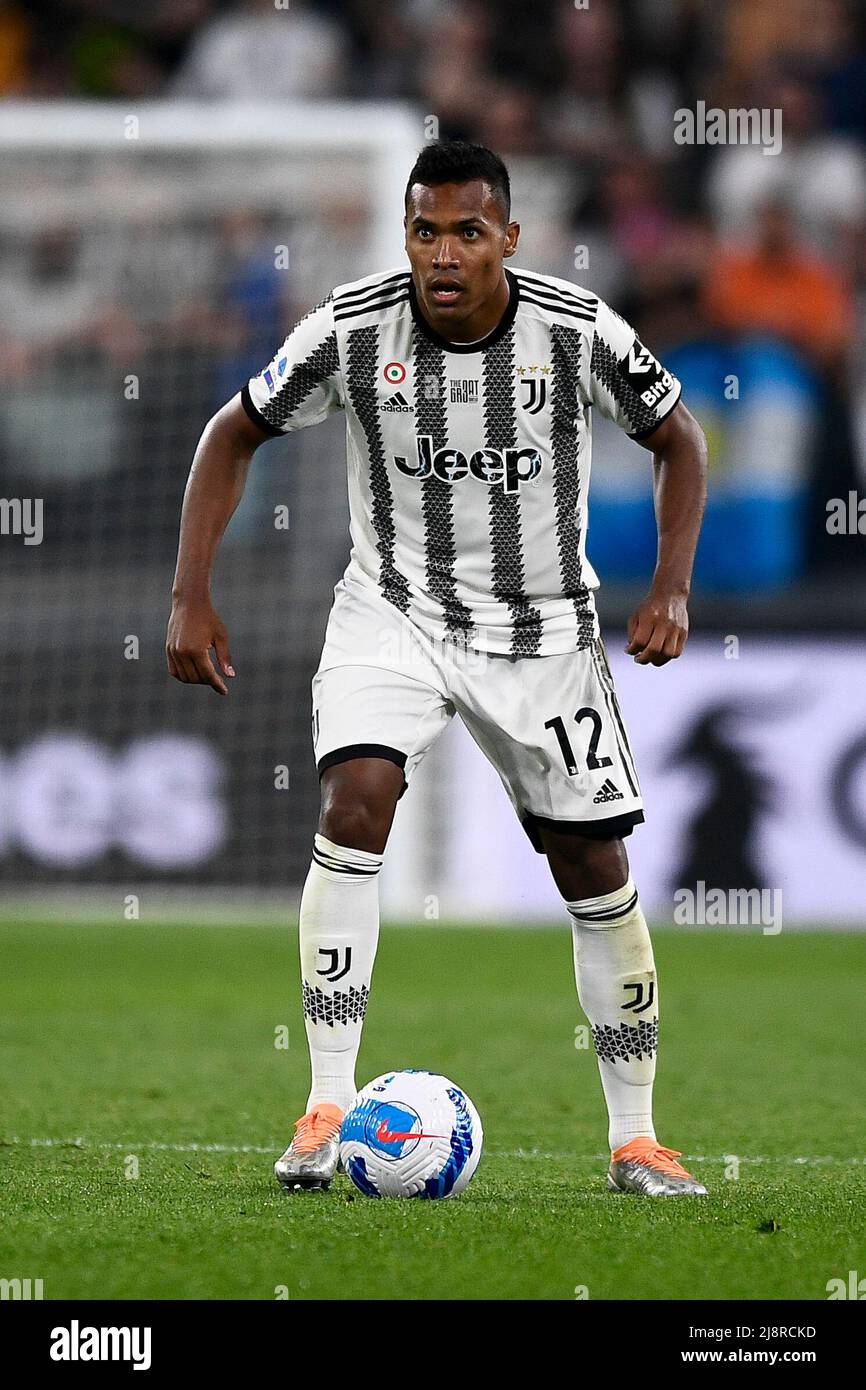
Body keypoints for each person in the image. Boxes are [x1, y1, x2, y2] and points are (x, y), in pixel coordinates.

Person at [166, 141, 709, 1198]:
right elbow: (232, 433)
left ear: (508, 235)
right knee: (356, 800)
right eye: (425, 231)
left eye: (468, 231)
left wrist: (670, 586)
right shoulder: (352, 328)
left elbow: (677, 438)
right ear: (404, 235)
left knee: (590, 864)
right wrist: (190, 592)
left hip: (542, 628)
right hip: (394, 610)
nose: (444, 253)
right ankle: (325, 1107)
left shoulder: (576, 329)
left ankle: (635, 1140)